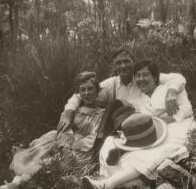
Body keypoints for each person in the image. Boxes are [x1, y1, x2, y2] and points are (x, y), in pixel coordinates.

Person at [82, 60, 196, 189]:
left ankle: (108, 184)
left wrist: (168, 102)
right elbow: (93, 90)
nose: (141, 79)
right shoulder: (137, 99)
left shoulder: (169, 87)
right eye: (137, 75)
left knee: (153, 153)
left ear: (155, 77)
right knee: (111, 142)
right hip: (150, 132)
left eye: (145, 75)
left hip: (176, 127)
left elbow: (186, 109)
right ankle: (120, 179)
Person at [0, 71, 111, 189]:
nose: (87, 93)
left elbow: (92, 138)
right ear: (79, 92)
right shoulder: (73, 110)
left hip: (82, 151)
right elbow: (63, 127)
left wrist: (70, 148)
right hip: (63, 142)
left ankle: (18, 185)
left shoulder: (101, 114)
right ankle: (15, 184)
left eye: (90, 89)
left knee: (50, 163)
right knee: (41, 152)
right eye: (83, 90)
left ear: (97, 91)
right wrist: (64, 145)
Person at [57, 47, 187, 137]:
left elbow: (178, 77)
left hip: (147, 122)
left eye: (126, 61)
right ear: (114, 65)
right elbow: (82, 94)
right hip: (122, 128)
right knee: (115, 104)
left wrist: (171, 92)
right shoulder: (111, 84)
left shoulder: (143, 77)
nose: (123, 66)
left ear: (133, 61)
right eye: (118, 63)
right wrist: (69, 112)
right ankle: (101, 141)